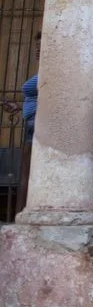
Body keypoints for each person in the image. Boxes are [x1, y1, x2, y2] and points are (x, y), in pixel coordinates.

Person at [1, 31, 41, 214]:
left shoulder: (52, 71)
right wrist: (18, 107)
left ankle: (21, 216)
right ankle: (21, 215)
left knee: (28, 174)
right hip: (31, 121)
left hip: (38, 123)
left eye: (42, 47)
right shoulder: (43, 71)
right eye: (37, 47)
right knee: (26, 173)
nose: (38, 51)